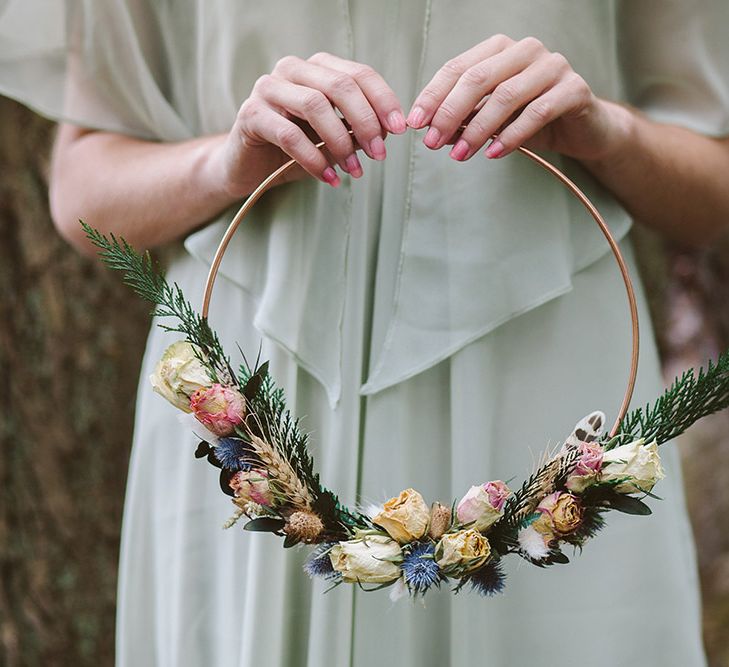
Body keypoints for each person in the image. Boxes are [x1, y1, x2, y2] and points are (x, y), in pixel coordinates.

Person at [2, 1, 728, 665]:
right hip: (250, 399)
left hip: (547, 392)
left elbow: (710, 194)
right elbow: (83, 188)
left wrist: (610, 131)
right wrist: (223, 164)